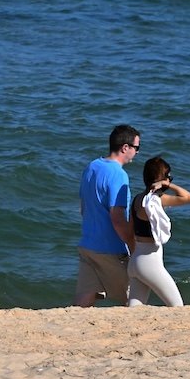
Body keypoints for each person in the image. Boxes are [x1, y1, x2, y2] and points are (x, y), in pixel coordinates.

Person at [73, 124, 140, 307]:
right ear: (125, 148)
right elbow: (117, 219)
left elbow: (83, 207)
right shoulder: (118, 175)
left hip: (88, 244)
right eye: (136, 148)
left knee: (84, 299)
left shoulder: (92, 167)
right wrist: (133, 246)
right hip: (110, 249)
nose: (137, 153)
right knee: (133, 295)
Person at [127, 155, 190, 307]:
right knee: (177, 306)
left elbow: (130, 228)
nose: (170, 179)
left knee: (134, 311)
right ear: (161, 179)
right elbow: (189, 197)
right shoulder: (158, 200)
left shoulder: (138, 199)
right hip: (150, 262)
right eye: (168, 176)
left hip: (135, 261)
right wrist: (168, 185)